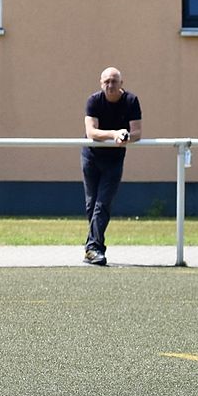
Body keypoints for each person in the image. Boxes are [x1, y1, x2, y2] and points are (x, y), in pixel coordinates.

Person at [82, 67, 142, 266]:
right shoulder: (94, 101)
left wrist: (126, 136)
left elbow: (137, 132)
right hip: (91, 157)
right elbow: (91, 132)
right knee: (92, 205)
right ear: (101, 83)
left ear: (121, 83)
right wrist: (114, 133)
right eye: (106, 81)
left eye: (114, 81)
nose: (110, 85)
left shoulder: (131, 101)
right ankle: (93, 248)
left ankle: (93, 248)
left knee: (103, 204)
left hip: (114, 159)